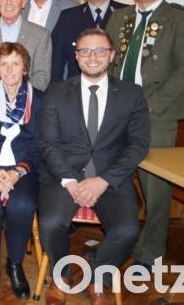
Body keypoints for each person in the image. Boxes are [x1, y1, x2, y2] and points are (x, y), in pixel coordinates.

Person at [39, 28, 150, 305]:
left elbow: (138, 145)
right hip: (64, 178)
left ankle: (99, 278)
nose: (92, 56)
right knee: (51, 222)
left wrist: (102, 180)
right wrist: (70, 181)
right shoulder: (56, 92)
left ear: (111, 55)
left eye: (100, 50)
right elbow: (48, 143)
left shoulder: (131, 94)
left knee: (127, 231)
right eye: (86, 51)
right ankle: (61, 275)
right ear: (76, 56)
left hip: (110, 180)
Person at [105, 0, 184, 271]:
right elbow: (111, 62)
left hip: (156, 115)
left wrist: (150, 104)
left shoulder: (180, 20)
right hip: (119, 112)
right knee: (114, 179)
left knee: (155, 187)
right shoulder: (121, 18)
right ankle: (118, 242)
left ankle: (150, 252)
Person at [0, 43, 43, 301]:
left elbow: (39, 146)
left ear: (25, 68)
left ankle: (15, 265)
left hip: (24, 170)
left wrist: (15, 173)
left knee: (22, 205)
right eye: (4, 63)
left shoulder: (40, 100)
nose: (10, 69)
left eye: (15, 63)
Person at [51, 0, 127, 82]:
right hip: (77, 93)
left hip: (118, 92)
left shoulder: (126, 14)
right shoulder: (68, 17)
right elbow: (56, 63)